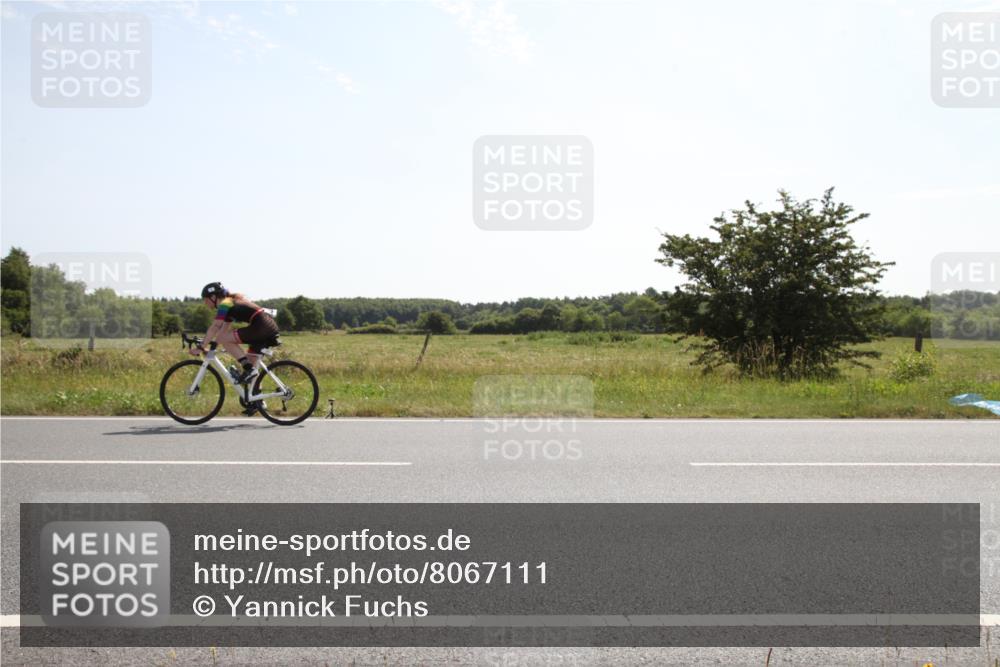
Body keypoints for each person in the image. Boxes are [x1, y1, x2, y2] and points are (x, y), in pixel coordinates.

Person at [192, 282, 280, 413]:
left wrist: (201, 346)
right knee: (250, 362)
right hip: (266, 326)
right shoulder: (230, 304)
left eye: (206, 300)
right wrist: (210, 346)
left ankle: (249, 369)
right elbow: (222, 330)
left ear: (214, 297)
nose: (205, 303)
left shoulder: (225, 303)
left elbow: (215, 327)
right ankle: (258, 401)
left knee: (248, 368)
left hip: (261, 327)